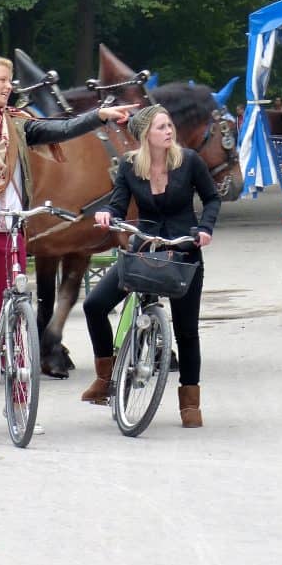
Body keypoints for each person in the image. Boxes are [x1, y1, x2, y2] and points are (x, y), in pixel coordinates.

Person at [0, 55, 137, 417]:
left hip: (9, 229)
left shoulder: (18, 126)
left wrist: (100, 116)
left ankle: (18, 401)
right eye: (2, 79)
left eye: (10, 79)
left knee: (13, 310)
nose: (8, 85)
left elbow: (62, 130)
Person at [81, 104, 220, 428]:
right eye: (161, 127)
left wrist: (205, 229)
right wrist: (107, 215)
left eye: (169, 125)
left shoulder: (189, 162)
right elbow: (117, 203)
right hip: (143, 250)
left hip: (183, 252)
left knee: (187, 331)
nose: (169, 131)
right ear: (145, 135)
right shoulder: (130, 166)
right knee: (94, 305)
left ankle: (190, 404)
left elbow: (212, 198)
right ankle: (104, 378)